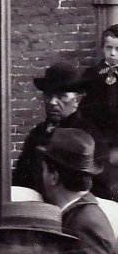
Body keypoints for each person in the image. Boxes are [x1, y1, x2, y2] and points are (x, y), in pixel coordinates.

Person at [19, 60, 97, 193]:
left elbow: (96, 187)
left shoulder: (89, 135)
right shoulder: (37, 134)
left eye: (61, 96)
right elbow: (21, 178)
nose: (52, 102)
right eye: (48, 95)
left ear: (77, 100)